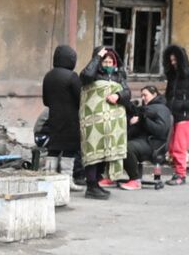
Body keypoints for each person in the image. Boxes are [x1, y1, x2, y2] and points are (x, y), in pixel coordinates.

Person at [78, 46, 131, 200]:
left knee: (105, 155)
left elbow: (127, 92)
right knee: (93, 153)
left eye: (110, 61)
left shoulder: (119, 75)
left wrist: (118, 96)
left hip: (112, 125)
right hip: (94, 123)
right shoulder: (93, 75)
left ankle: (96, 184)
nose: (108, 64)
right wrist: (97, 57)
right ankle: (91, 186)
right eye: (105, 61)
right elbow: (85, 76)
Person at [39, 45, 83, 183]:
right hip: (71, 121)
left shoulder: (48, 76)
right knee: (69, 151)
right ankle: (67, 181)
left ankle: (50, 179)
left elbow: (45, 101)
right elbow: (80, 98)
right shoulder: (72, 76)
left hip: (54, 119)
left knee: (53, 149)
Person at [162, 44, 189, 186]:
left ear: (181, 59)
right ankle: (177, 173)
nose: (173, 63)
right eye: (171, 60)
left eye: (175, 60)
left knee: (179, 148)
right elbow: (168, 95)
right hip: (175, 116)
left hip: (187, 117)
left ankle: (181, 175)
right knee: (173, 147)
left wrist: (184, 105)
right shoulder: (173, 77)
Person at [121, 84, 172, 189]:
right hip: (144, 141)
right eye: (142, 96)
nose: (143, 98)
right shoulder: (147, 108)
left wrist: (143, 120)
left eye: (145, 95)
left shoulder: (161, 109)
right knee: (119, 143)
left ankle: (134, 180)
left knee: (126, 148)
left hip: (154, 143)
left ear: (154, 94)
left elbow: (160, 130)